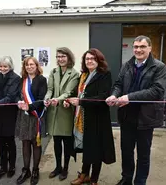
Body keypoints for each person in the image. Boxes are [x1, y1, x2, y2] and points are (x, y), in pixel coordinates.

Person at [106, 35, 166, 185]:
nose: (138, 50)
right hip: (127, 117)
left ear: (150, 48)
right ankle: (126, 179)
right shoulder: (127, 65)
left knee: (143, 154)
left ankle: (140, 182)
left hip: (145, 118)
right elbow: (119, 84)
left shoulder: (159, 67)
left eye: (142, 47)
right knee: (127, 152)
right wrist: (114, 95)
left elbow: (156, 91)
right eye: (136, 47)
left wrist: (129, 97)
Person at [66, 48, 116, 185]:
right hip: (85, 117)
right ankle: (84, 175)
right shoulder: (84, 75)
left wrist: (80, 102)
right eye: (87, 59)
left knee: (97, 150)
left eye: (92, 59)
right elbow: (80, 93)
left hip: (98, 118)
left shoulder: (104, 74)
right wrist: (70, 100)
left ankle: (94, 179)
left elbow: (102, 97)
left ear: (98, 60)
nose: (89, 61)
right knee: (88, 148)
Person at [44, 47, 79, 181]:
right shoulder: (53, 72)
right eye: (58, 56)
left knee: (67, 143)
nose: (61, 59)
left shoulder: (74, 74)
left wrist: (56, 100)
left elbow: (68, 93)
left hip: (66, 112)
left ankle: (65, 168)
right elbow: (50, 89)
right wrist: (47, 99)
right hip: (54, 112)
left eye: (63, 56)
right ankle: (58, 167)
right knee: (56, 143)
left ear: (69, 58)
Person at [15, 56, 47, 185]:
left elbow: (41, 98)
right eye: (27, 65)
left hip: (36, 115)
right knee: (25, 143)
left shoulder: (42, 80)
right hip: (23, 116)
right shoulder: (22, 80)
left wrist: (29, 107)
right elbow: (17, 94)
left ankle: (35, 170)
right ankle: (26, 169)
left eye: (32, 64)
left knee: (36, 143)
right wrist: (19, 102)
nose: (29, 67)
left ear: (36, 65)